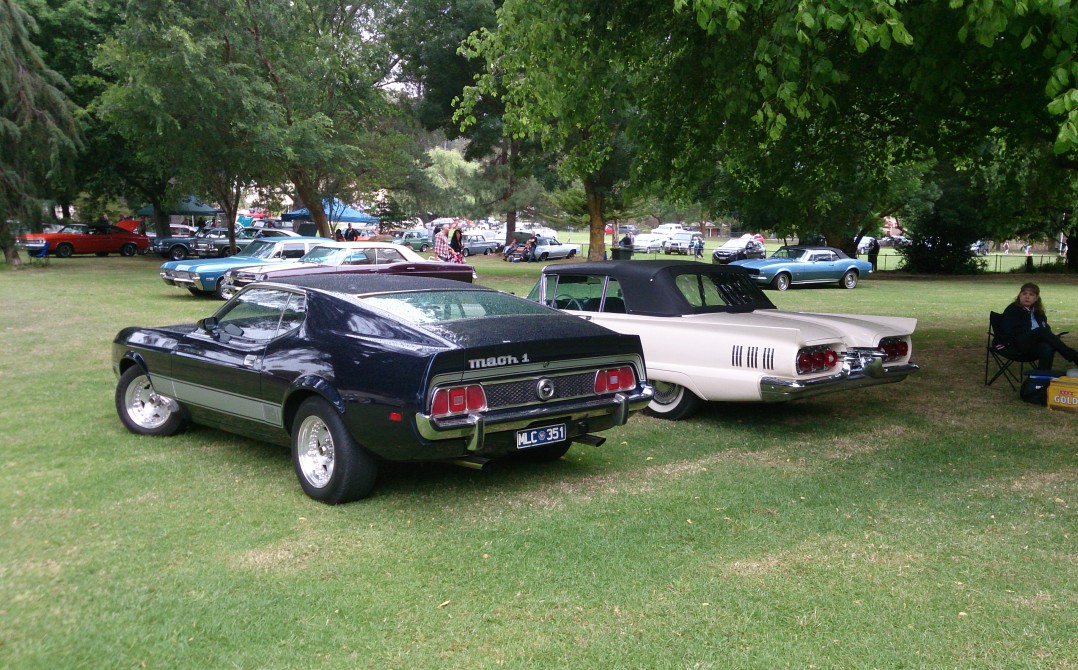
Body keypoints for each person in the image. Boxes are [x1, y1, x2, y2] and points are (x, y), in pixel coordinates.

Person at [997, 282, 1078, 370]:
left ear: (1036, 298)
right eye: (1024, 294)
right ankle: (1074, 356)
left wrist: (1051, 336)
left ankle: (1042, 377)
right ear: (1019, 296)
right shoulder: (1013, 310)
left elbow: (1045, 328)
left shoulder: (1038, 312)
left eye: (1031, 295)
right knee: (1041, 331)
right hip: (1014, 343)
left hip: (1033, 343)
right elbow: (1009, 331)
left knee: (1047, 346)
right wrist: (1036, 334)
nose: (1027, 297)